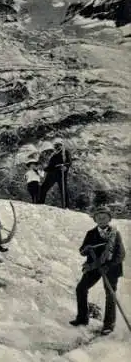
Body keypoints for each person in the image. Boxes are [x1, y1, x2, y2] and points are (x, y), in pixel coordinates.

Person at [70, 206, 126, 335]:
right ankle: (82, 318)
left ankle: (109, 325)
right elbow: (82, 251)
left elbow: (121, 255)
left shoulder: (115, 234)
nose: (101, 220)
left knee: (110, 294)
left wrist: (108, 265)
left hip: (111, 268)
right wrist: (86, 249)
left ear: (109, 219)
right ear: (95, 219)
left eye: (104, 217)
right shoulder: (91, 233)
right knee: (81, 289)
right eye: (98, 218)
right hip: (94, 266)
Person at [39, 138, 71, 208]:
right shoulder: (53, 155)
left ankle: (66, 207)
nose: (57, 147)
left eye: (59, 145)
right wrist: (44, 169)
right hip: (52, 175)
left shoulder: (65, 153)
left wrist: (65, 167)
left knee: (64, 190)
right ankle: (40, 204)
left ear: (62, 145)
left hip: (61, 175)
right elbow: (50, 166)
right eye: (56, 145)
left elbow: (69, 162)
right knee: (43, 188)